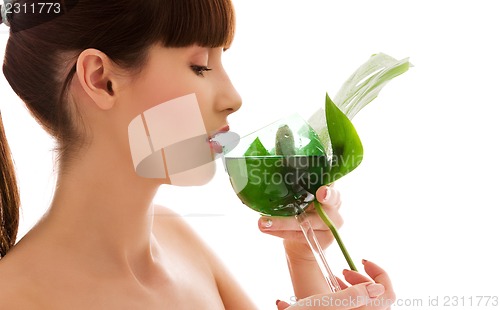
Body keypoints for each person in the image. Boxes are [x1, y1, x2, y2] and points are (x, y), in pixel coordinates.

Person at [0, 0, 396, 308]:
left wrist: (305, 262)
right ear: (101, 81)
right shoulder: (14, 298)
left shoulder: (175, 238)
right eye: (201, 66)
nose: (233, 99)